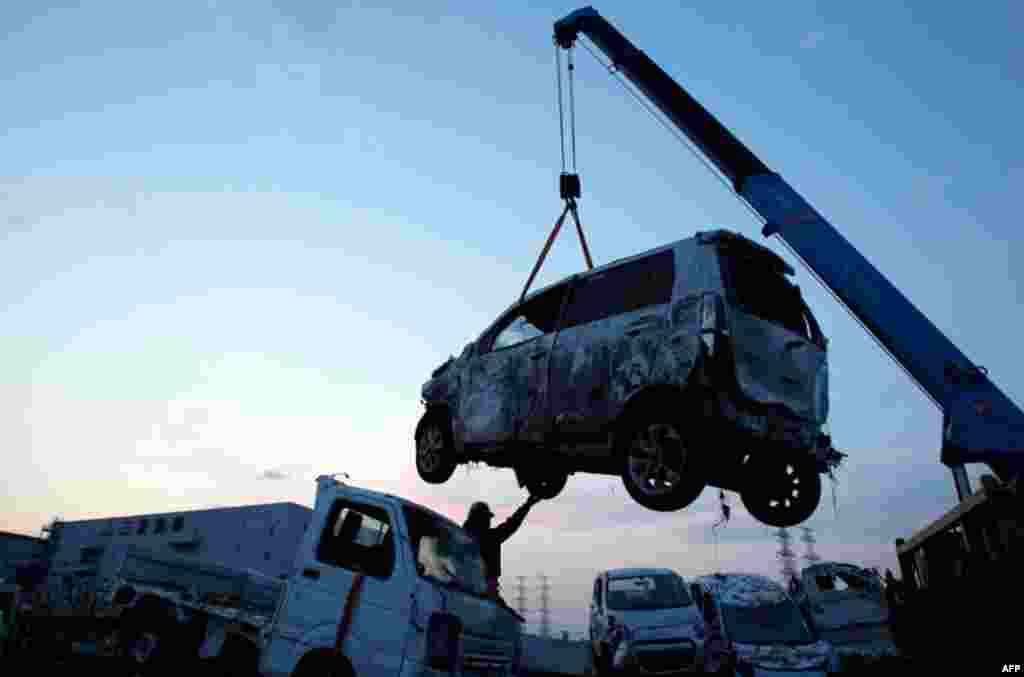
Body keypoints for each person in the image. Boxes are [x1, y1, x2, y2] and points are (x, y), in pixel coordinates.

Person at [463, 494, 543, 596]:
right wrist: (528, 504)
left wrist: (528, 505)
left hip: (470, 590)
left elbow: (512, 524)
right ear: (478, 518)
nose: (488, 521)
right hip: (481, 592)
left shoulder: (461, 537)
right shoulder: (489, 538)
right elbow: (512, 524)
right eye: (486, 518)